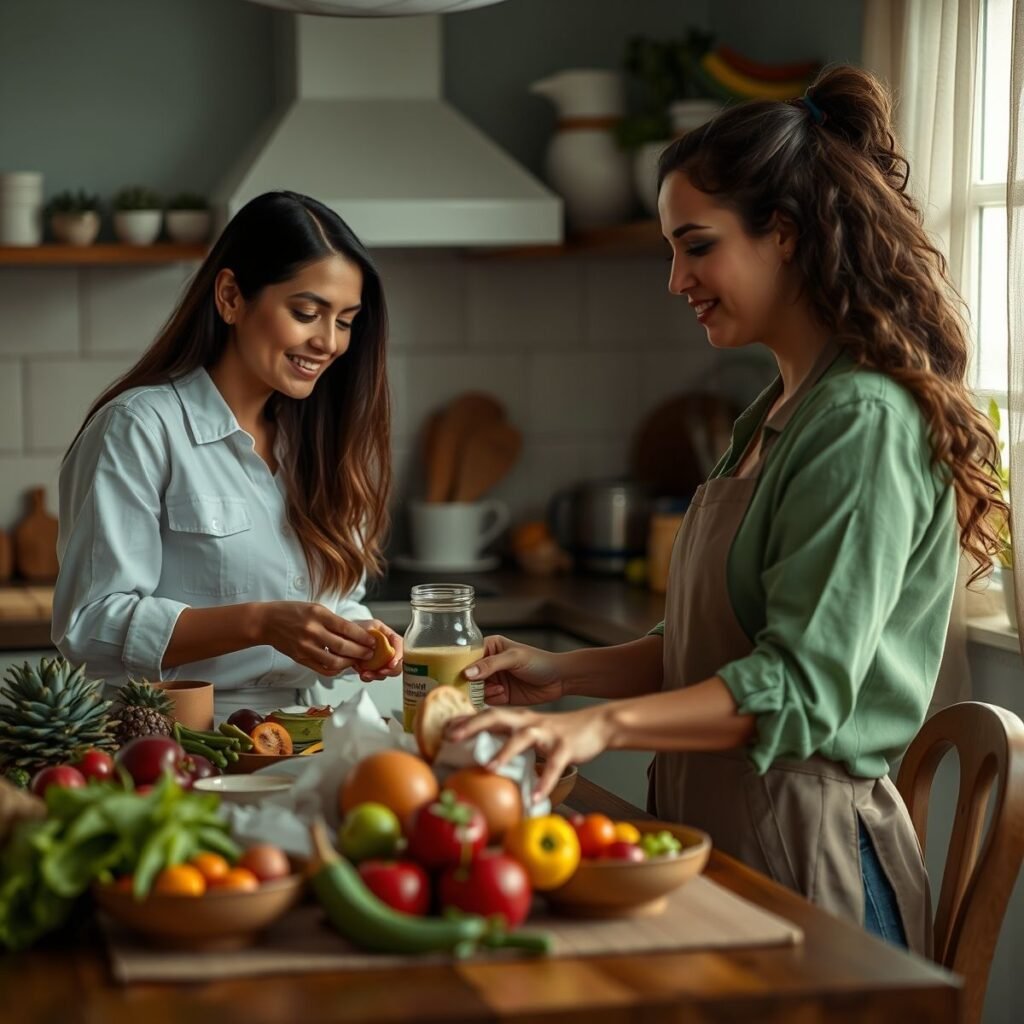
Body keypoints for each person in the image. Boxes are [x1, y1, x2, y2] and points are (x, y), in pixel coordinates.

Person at [447, 66, 1006, 954]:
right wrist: (565, 673)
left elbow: (800, 689)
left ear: (784, 234)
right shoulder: (775, 411)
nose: (676, 280)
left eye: (697, 246)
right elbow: (715, 653)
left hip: (810, 863)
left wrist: (600, 726)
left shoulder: (860, 421)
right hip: (725, 837)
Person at [52, 191, 402, 719]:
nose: (328, 342)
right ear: (232, 296)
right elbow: (90, 625)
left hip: (300, 733)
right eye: (307, 313)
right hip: (168, 737)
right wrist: (258, 623)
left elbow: (335, 599)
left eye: (346, 321)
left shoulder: (321, 444)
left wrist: (355, 634)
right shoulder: (140, 427)